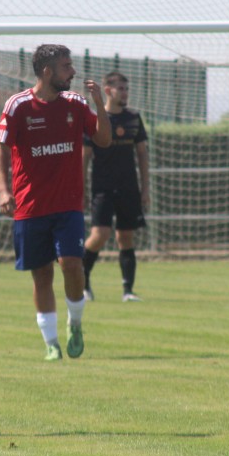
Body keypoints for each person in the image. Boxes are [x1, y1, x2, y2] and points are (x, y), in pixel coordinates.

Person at [0, 44, 111, 360]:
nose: (72, 72)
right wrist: (4, 191)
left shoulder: (75, 104)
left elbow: (103, 139)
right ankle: (51, 342)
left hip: (68, 206)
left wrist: (99, 104)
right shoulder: (17, 106)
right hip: (30, 208)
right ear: (48, 72)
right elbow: (1, 149)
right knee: (41, 275)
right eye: (66, 66)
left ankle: (75, 323)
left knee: (72, 265)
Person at [81, 70, 150, 302]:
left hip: (129, 187)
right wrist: (81, 189)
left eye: (126, 88)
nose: (125, 93)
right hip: (103, 188)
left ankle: (128, 291)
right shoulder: (95, 119)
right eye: (121, 88)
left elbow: (142, 155)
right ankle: (83, 283)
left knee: (126, 238)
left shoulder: (133, 117)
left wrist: (145, 189)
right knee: (100, 235)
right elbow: (85, 157)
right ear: (108, 91)